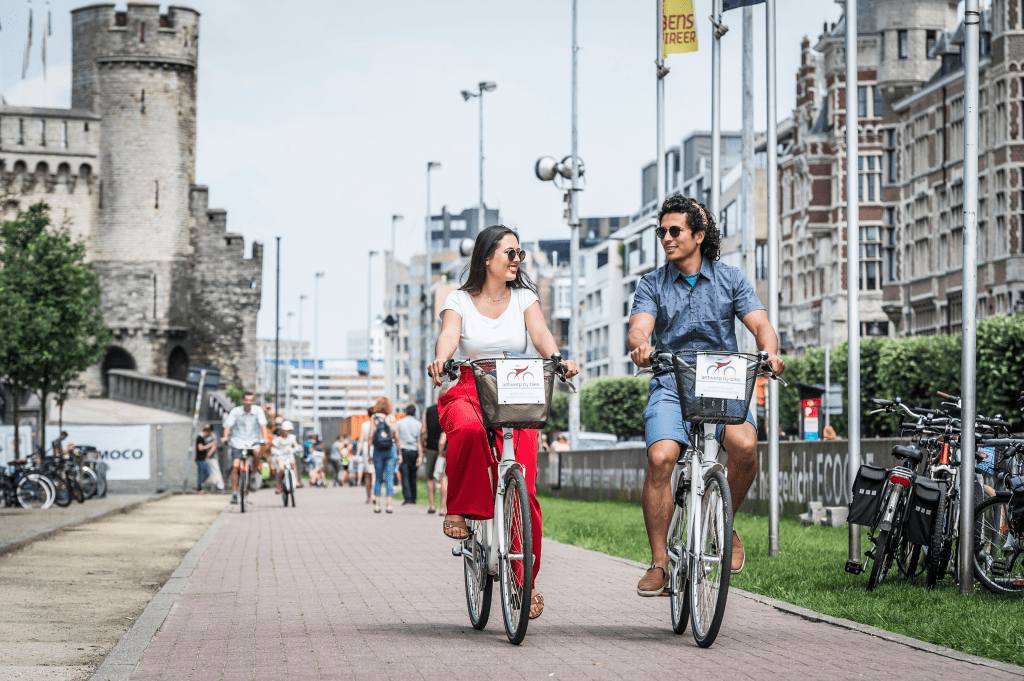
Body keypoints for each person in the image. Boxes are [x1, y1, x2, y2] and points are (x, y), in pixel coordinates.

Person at [627, 194, 786, 596]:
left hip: (723, 383)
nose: (665, 237)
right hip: (671, 381)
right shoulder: (652, 283)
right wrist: (641, 344)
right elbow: (638, 328)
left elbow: (761, 324)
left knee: (745, 446)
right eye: (661, 231)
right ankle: (659, 563)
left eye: (674, 230)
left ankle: (722, 523)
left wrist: (770, 352)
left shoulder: (730, 278)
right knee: (661, 457)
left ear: (698, 235)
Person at [428, 224, 579, 620]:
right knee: (467, 429)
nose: (516, 260)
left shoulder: (525, 297)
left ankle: (524, 581)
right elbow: (449, 335)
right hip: (470, 387)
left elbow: (541, 333)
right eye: (509, 253)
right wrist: (442, 358)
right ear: (486, 257)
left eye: (519, 254)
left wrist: (558, 358)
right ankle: (459, 509)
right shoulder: (457, 299)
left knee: (524, 492)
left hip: (517, 389)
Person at [220, 391, 269, 505]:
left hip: (253, 440)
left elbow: (263, 425)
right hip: (238, 441)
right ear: (242, 400)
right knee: (235, 466)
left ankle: (253, 473)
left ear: (253, 401)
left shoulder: (258, 411)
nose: (248, 402)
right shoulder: (235, 411)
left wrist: (265, 438)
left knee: (257, 452)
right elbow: (228, 425)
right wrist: (225, 437)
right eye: (246, 400)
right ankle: (234, 493)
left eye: (250, 400)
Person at [367, 398, 399, 513]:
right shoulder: (391, 417)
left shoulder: (374, 418)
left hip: (377, 450)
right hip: (390, 449)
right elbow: (396, 436)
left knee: (378, 478)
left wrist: (368, 453)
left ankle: (377, 505)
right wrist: (399, 452)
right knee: (389, 477)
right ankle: (389, 505)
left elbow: (370, 435)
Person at [421, 385, 448, 514]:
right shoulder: (449, 410)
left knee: (430, 477)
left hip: (431, 447)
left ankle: (432, 505)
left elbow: (423, 430)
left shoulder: (428, 411)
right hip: (446, 448)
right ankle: (442, 508)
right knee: (444, 478)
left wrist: (423, 445)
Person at [397, 404, 422, 505]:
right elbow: (419, 441)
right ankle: (414, 498)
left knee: (405, 475)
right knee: (413, 475)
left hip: (403, 451)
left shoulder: (400, 423)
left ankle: (407, 498)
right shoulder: (418, 424)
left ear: (406, 412)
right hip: (414, 451)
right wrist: (420, 456)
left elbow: (398, 440)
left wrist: (399, 454)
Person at [271, 421, 301, 493]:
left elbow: (295, 445)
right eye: (286, 430)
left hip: (289, 455)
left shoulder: (292, 438)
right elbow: (272, 448)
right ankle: (278, 484)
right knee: (281, 469)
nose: (288, 432)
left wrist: (297, 448)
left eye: (289, 430)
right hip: (281, 456)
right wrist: (276, 451)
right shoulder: (278, 439)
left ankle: (296, 480)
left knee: (293, 463)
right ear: (283, 430)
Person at [195, 424, 217, 492]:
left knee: (206, 473)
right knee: (202, 474)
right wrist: (209, 445)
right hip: (200, 459)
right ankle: (200, 487)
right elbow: (200, 448)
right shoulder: (200, 438)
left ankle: (199, 486)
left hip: (203, 459)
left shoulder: (202, 437)